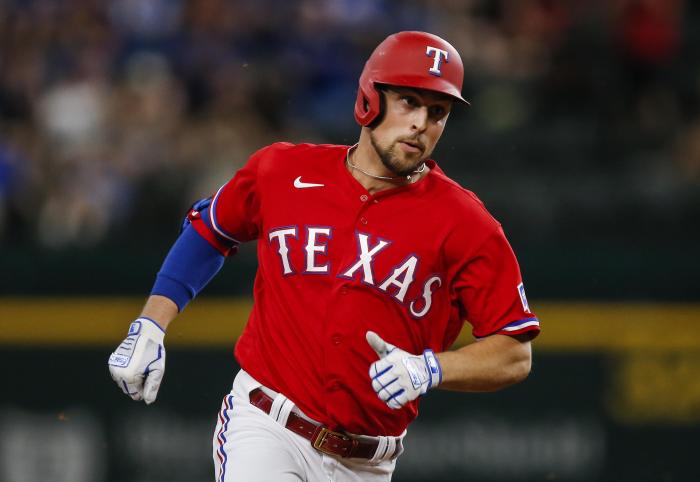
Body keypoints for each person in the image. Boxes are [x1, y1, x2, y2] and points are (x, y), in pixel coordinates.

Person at [108, 31, 540, 482]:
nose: (421, 124)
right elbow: (211, 229)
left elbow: (514, 353)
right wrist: (152, 323)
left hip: (368, 462)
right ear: (369, 99)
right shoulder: (284, 170)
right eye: (409, 102)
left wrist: (433, 367)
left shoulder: (467, 223)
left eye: (438, 112)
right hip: (267, 426)